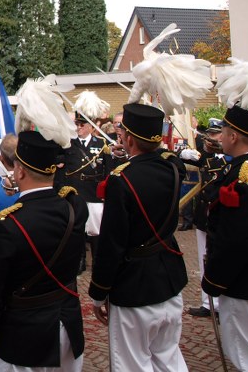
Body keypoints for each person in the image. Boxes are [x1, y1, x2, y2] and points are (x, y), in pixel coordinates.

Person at [0, 130, 88, 370]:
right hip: (67, 322)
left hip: (24, 331)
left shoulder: (6, 225)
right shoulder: (75, 206)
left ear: (19, 171)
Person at [89, 103, 188, 372]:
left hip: (135, 286)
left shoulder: (121, 180)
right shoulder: (173, 167)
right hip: (169, 277)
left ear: (128, 138)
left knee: (133, 364)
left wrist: (99, 292)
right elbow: (164, 158)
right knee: (169, 358)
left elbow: (112, 244)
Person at [201, 104, 248, 370]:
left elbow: (234, 241)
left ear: (233, 136)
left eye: (223, 132)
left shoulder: (243, 178)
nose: (219, 137)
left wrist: (213, 280)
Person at [57, 112, 112, 272]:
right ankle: (80, 259)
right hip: (75, 191)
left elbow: (108, 171)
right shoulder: (67, 144)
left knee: (95, 229)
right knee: (77, 227)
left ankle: (97, 259)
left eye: (82, 125)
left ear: (90, 126)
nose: (78, 127)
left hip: (93, 192)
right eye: (77, 124)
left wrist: (106, 192)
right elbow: (59, 163)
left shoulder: (102, 144)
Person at [188, 119, 227, 317]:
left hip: (222, 217)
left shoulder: (229, 159)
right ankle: (208, 303)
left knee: (222, 258)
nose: (210, 137)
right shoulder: (204, 156)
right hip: (205, 215)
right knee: (204, 259)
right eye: (209, 134)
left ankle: (223, 303)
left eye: (214, 134)